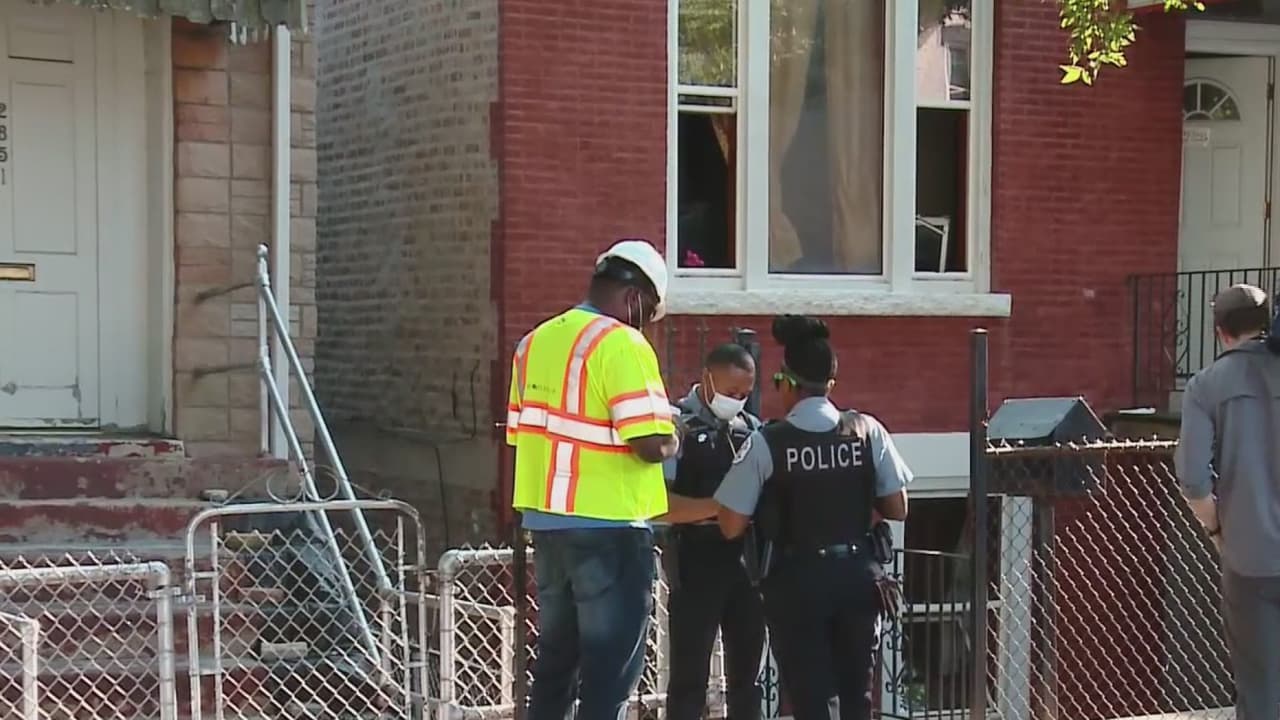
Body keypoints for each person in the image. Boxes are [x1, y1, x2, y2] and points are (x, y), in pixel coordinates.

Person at [505, 238, 713, 720]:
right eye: (648, 313)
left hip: (548, 524)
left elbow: (523, 434)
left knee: (556, 665)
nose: (644, 324)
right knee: (609, 672)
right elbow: (649, 444)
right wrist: (675, 431)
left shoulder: (532, 343)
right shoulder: (621, 342)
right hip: (610, 527)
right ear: (635, 297)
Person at [712, 315, 912, 720]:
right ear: (831, 384)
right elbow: (898, 507)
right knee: (858, 698)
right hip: (858, 577)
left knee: (810, 701)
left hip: (796, 583)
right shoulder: (867, 430)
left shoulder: (766, 442)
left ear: (787, 381)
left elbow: (730, 525)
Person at [1175, 283, 1280, 720]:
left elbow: (1194, 479)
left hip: (1251, 558)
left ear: (1221, 332)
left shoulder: (1205, 386)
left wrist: (1218, 530)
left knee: (1258, 690)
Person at [662, 343, 766, 720]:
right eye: (731, 392)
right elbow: (661, 504)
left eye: (744, 394)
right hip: (695, 563)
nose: (737, 400)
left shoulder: (751, 430)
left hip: (745, 566)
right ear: (708, 380)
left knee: (747, 681)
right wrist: (722, 508)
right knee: (689, 680)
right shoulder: (677, 427)